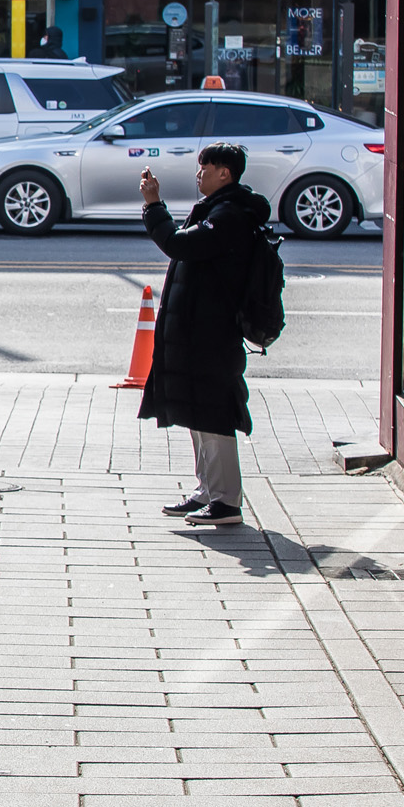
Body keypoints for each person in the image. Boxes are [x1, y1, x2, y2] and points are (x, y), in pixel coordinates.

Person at [138, 143, 271, 528]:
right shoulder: (219, 209)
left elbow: (178, 244)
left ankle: (226, 501)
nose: (199, 175)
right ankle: (207, 491)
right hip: (198, 327)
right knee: (197, 411)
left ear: (224, 173)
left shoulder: (231, 214)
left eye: (205, 168)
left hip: (214, 330)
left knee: (213, 414)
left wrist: (153, 205)